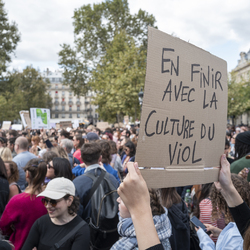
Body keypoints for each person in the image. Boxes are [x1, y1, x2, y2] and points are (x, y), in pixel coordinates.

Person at [22, 177, 90, 250]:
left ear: (69, 200)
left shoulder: (81, 230)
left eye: (53, 202)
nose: (48, 206)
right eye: (45, 201)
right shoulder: (41, 223)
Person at [0, 159, 47, 250]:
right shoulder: (50, 199)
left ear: (27, 174)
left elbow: (3, 225)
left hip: (20, 243)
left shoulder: (18, 200)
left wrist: (12, 229)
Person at [195, 172, 250, 249]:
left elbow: (234, 239)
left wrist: (204, 238)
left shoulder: (234, 235)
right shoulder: (240, 227)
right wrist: (221, 232)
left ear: (222, 203)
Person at [117, 162, 165, 250]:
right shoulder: (164, 228)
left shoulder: (125, 246)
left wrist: (139, 211)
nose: (118, 200)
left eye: (124, 198)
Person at [73, 142, 119, 220]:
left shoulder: (77, 182)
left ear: (81, 159)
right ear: (100, 158)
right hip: (111, 226)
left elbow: (76, 212)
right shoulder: (112, 178)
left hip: (88, 227)